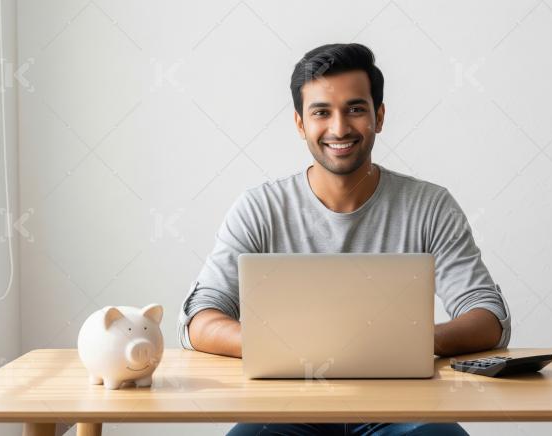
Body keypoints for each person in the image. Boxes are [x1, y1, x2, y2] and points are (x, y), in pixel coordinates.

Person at [177, 43, 511, 436]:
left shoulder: (429, 205)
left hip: (402, 409)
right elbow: (199, 319)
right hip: (286, 409)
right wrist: (287, 346)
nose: (339, 128)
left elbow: (488, 317)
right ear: (301, 124)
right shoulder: (259, 208)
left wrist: (403, 342)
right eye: (321, 112)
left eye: (355, 109)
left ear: (379, 117)